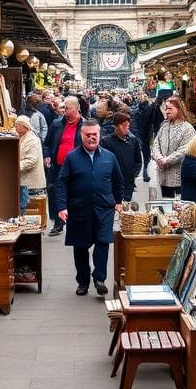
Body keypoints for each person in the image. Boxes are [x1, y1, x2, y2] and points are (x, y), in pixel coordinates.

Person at [54, 119, 124, 296]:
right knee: (80, 246)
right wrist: (62, 206)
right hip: (79, 209)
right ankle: (83, 281)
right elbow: (61, 183)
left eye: (95, 135)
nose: (92, 138)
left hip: (104, 209)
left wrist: (118, 201)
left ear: (99, 134)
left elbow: (118, 181)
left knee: (102, 242)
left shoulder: (109, 157)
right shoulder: (72, 157)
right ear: (81, 135)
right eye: (88, 135)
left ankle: (99, 278)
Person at [43, 96, 83, 236]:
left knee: (75, 193)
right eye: (64, 108)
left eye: (67, 108)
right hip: (58, 166)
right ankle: (58, 223)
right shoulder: (56, 124)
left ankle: (75, 221)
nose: (64, 110)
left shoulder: (84, 125)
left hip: (77, 167)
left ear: (76, 109)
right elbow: (47, 143)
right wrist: (47, 155)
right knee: (54, 191)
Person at [150, 95, 196, 198]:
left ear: (179, 109)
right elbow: (156, 144)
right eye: (166, 108)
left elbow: (184, 150)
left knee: (178, 207)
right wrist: (158, 158)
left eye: (170, 108)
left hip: (179, 178)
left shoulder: (187, 129)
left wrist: (167, 160)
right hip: (163, 176)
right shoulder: (164, 126)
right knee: (166, 205)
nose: (167, 111)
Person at [101, 111, 142, 202]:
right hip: (112, 184)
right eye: (123, 125)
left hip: (128, 183)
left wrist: (133, 174)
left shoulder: (133, 140)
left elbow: (138, 161)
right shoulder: (106, 141)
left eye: (127, 125)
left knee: (126, 210)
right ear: (116, 126)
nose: (126, 128)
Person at [15, 115, 45, 214]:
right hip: (24, 178)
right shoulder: (22, 137)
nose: (15, 127)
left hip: (29, 180)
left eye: (17, 125)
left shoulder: (31, 140)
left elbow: (31, 161)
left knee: (24, 205)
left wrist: (15, 166)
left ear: (24, 126)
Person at [131, 93, 153, 182]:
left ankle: (138, 173)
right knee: (145, 155)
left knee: (137, 154)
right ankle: (145, 172)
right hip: (146, 134)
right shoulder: (150, 109)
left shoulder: (136, 109)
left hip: (139, 134)